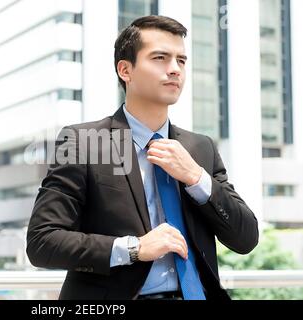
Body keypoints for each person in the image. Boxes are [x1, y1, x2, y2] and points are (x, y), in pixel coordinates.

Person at [26, 15, 259, 300]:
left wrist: (196, 178)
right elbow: (43, 241)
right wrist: (133, 248)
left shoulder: (200, 148)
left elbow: (246, 238)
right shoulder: (82, 141)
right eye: (160, 58)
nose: (175, 70)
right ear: (126, 70)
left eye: (181, 61)